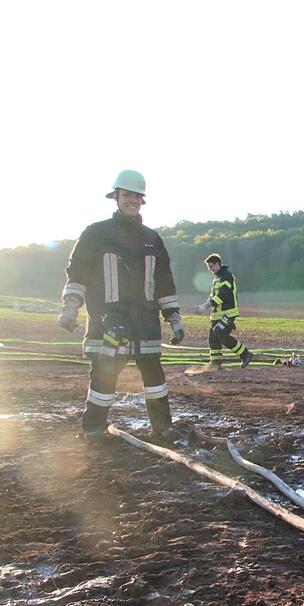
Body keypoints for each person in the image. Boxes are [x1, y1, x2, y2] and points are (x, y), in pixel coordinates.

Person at [57, 170, 184, 441]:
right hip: (108, 322)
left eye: (137, 196)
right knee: (104, 377)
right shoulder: (96, 234)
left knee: (155, 379)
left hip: (145, 323)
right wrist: (70, 307)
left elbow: (164, 282)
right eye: (127, 195)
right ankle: (94, 429)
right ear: (116, 196)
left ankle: (162, 427)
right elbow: (77, 272)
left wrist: (174, 319)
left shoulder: (153, 239)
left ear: (143, 200)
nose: (132, 200)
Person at [194, 253, 253, 369]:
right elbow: (213, 295)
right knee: (212, 338)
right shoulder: (217, 277)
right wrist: (204, 305)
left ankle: (245, 354)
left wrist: (206, 305)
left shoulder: (226, 276)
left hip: (228, 313)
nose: (210, 269)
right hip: (217, 314)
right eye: (208, 267)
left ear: (217, 264)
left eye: (211, 266)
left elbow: (223, 294)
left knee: (220, 332)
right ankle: (215, 364)